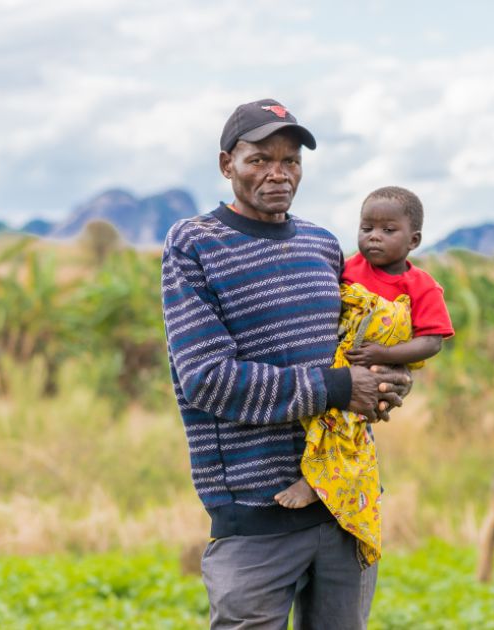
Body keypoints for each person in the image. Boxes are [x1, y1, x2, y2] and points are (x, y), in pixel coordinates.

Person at [161, 98, 412, 630]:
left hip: (345, 503)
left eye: (291, 160)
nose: (278, 173)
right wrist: (340, 387)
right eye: (259, 160)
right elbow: (208, 380)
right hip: (256, 514)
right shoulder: (196, 244)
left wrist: (386, 380)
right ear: (227, 164)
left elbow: (348, 350)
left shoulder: (322, 245)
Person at [274, 186, 454, 568]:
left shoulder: (420, 286)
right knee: (324, 415)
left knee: (346, 423)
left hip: (377, 367)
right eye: (366, 227)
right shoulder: (350, 268)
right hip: (339, 362)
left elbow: (432, 341)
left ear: (414, 240)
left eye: (388, 230)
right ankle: (327, 482)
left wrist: (384, 354)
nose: (374, 236)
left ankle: (317, 483)